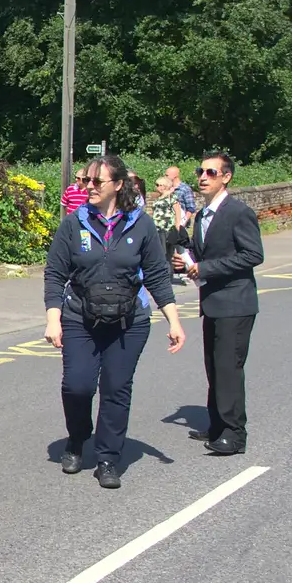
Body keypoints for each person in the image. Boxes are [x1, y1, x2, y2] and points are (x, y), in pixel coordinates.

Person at [44, 154, 185, 486]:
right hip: (80, 316)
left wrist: (174, 321)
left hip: (129, 321)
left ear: (118, 185)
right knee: (77, 385)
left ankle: (108, 458)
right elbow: (55, 274)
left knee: (116, 389)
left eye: (96, 182)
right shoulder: (74, 222)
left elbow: (157, 276)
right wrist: (53, 319)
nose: (88, 187)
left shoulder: (141, 224)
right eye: (85, 181)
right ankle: (78, 438)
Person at [173, 153, 261, 456]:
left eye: (211, 172)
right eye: (200, 171)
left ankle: (235, 435)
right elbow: (201, 254)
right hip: (212, 302)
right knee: (214, 367)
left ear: (226, 177)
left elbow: (253, 255)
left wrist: (207, 269)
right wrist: (185, 262)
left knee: (228, 368)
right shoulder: (202, 216)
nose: (203, 177)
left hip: (236, 303)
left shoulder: (238, 212)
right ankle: (216, 424)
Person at [148, 174, 191, 286]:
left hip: (167, 228)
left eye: (158, 185)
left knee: (166, 254)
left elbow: (177, 211)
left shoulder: (172, 197)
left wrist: (177, 225)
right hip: (158, 228)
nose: (157, 187)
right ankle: (163, 276)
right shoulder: (159, 198)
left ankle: (167, 277)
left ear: (164, 186)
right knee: (161, 253)